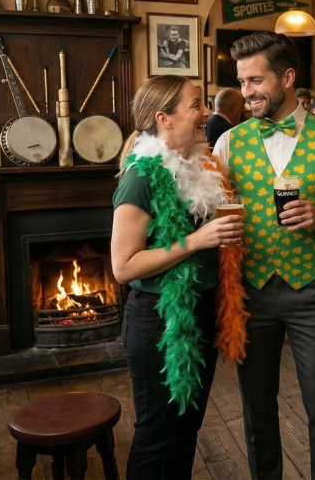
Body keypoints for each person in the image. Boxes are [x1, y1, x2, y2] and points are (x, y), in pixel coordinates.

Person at [212, 31, 315, 480]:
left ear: (287, 76)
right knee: (256, 404)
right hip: (250, 292)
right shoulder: (228, 143)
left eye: (256, 80)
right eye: (242, 82)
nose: (247, 92)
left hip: (313, 291)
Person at [111, 75, 246, 480]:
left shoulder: (201, 167)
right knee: (158, 435)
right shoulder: (142, 176)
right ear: (164, 118)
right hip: (158, 320)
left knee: (186, 429)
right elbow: (123, 267)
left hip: (198, 311)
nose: (206, 112)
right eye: (196, 105)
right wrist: (195, 241)